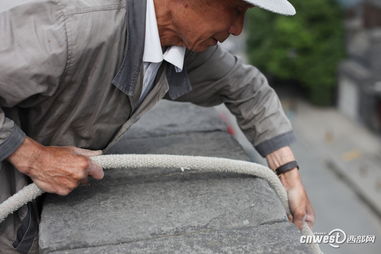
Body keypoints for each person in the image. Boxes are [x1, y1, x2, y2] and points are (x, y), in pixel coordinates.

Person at [0, 0, 315, 253]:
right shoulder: (74, 26)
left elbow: (247, 89)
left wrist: (289, 174)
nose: (237, 28)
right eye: (235, 9)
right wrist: (34, 158)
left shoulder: (183, 49)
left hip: (27, 219)